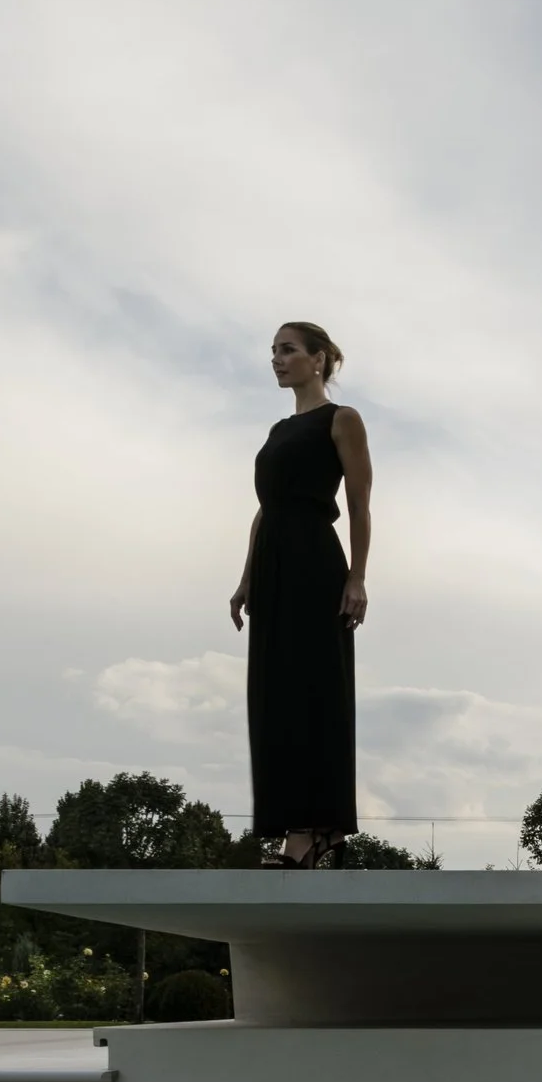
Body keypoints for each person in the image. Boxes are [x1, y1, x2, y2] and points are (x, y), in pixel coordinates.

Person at [229, 322, 371, 867]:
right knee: (274, 697)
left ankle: (315, 832)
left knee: (316, 691)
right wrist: (246, 579)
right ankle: (297, 827)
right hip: (273, 568)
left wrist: (357, 577)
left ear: (319, 359)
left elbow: (359, 505)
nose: (276, 359)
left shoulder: (343, 420)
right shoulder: (277, 430)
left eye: (287, 350)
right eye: (272, 351)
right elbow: (266, 509)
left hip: (316, 563)